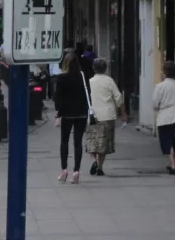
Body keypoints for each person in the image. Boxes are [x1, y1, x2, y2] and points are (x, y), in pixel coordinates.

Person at [53, 51, 91, 184]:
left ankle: (64, 170)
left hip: (67, 114)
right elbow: (88, 93)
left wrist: (58, 113)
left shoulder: (62, 78)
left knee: (64, 141)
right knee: (78, 142)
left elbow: (58, 97)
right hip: (81, 113)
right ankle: (76, 171)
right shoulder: (82, 76)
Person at [86, 57, 124, 176]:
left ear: (93, 68)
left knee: (93, 142)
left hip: (93, 116)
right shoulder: (109, 81)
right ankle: (100, 166)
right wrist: (124, 114)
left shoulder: (89, 82)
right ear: (105, 69)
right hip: (107, 115)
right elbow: (118, 98)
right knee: (104, 143)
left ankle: (95, 162)